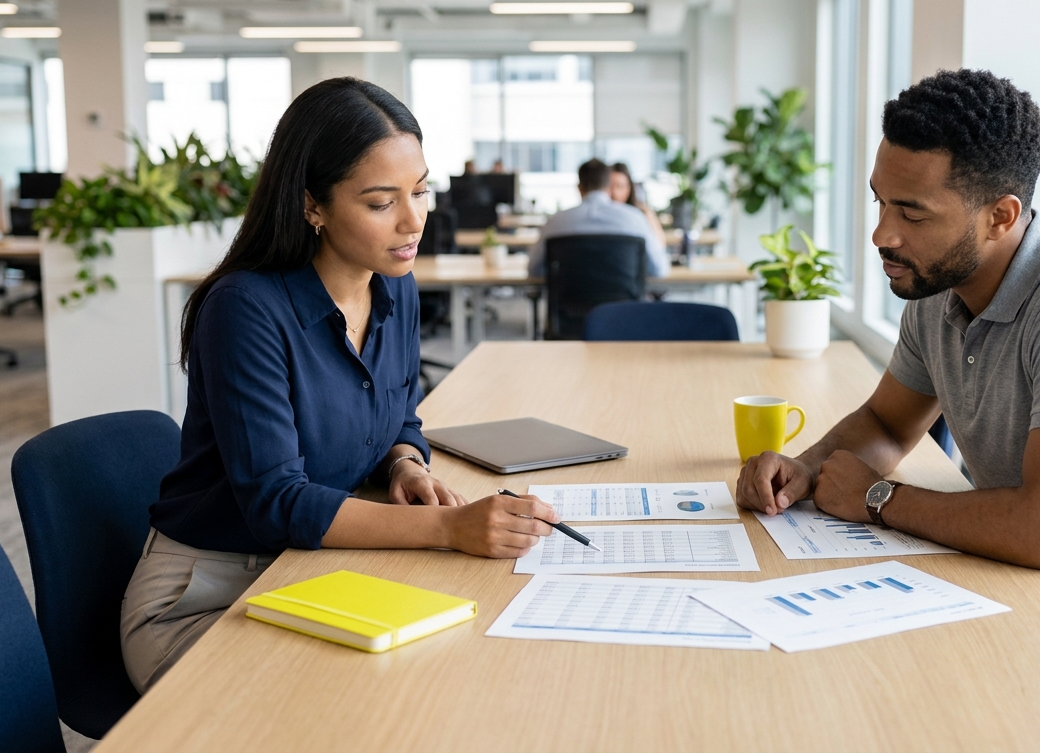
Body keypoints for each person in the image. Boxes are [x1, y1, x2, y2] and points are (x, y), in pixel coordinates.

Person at [734, 69, 1040, 727]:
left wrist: (879, 498)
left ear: (1001, 216)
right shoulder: (939, 286)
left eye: (911, 212)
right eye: (880, 201)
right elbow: (885, 421)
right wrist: (808, 467)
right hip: (1013, 586)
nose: (882, 234)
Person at [120, 78, 559, 693]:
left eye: (421, 190)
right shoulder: (245, 308)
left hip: (314, 569)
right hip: (210, 595)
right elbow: (278, 503)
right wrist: (449, 530)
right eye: (382, 203)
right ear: (312, 205)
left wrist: (406, 464)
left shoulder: (394, 284)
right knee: (358, 704)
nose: (414, 221)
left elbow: (399, 417)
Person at [527, 159, 670, 278]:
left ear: (579, 188)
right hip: (623, 308)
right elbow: (659, 269)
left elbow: (534, 270)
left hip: (570, 306)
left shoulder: (556, 222)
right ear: (608, 187)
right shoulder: (635, 219)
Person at [609, 162, 668, 250]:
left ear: (629, 188)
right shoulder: (601, 214)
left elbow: (660, 244)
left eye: (620, 186)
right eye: (610, 186)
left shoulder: (642, 212)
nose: (614, 192)